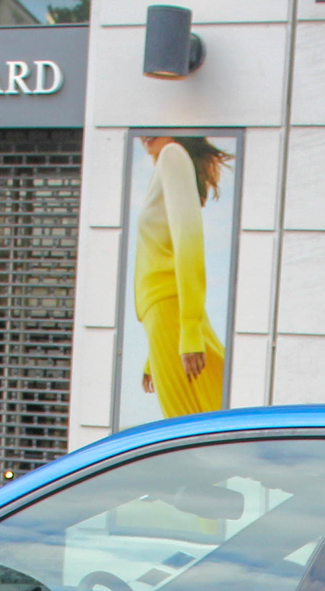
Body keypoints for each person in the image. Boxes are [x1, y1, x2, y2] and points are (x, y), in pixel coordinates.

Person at [131, 136, 230, 417]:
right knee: (194, 420)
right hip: (163, 316)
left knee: (187, 423)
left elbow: (188, 241)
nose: (147, 133)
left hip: (169, 310)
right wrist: (154, 355)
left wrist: (188, 334)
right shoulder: (166, 164)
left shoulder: (172, 155)